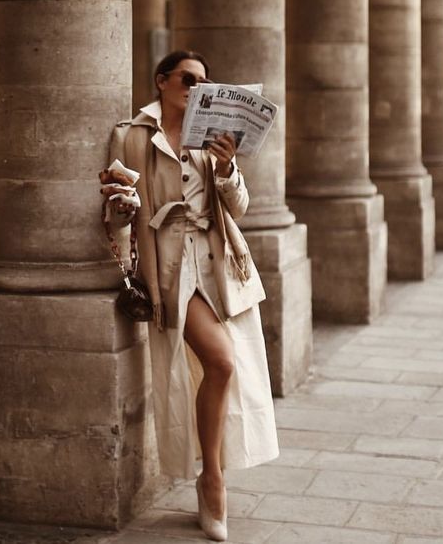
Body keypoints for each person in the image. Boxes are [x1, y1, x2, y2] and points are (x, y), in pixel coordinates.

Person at [101, 50, 278, 541]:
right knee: (221, 362)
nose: (194, 86)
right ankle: (213, 479)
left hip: (220, 265)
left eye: (203, 80)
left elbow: (238, 208)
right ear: (162, 81)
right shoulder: (132, 134)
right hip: (169, 266)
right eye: (186, 78)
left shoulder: (211, 138)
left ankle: (210, 476)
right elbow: (117, 214)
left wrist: (227, 168)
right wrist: (125, 204)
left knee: (224, 367)